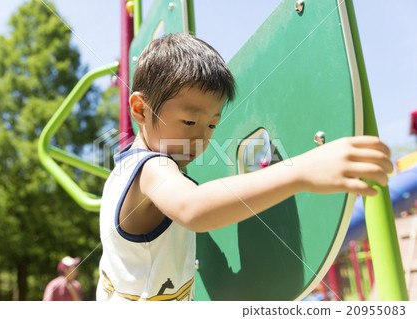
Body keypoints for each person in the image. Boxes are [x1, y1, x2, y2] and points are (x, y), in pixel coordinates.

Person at [96, 33, 393, 301]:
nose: (201, 138)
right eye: (189, 121)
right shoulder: (152, 168)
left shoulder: (123, 171)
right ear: (140, 110)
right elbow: (193, 208)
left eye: (212, 124)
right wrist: (302, 172)